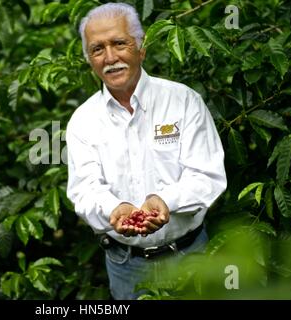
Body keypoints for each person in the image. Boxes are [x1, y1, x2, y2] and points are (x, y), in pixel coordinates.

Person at [66, 2, 227, 300]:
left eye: (119, 43)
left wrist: (164, 200)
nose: (110, 57)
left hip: (190, 255)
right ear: (89, 59)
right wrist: (114, 209)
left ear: (141, 47)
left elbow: (208, 176)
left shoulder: (183, 101)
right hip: (125, 264)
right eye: (97, 49)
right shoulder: (83, 121)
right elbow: (84, 190)